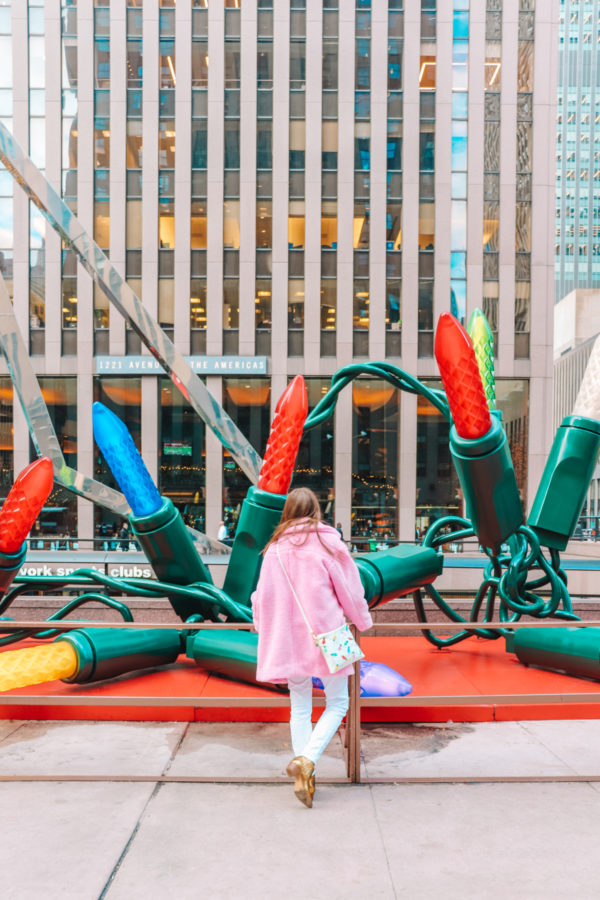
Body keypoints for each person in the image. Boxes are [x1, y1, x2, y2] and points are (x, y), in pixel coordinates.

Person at [251, 487, 372, 808]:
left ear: (287, 512)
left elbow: (260, 597)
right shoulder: (328, 542)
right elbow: (350, 588)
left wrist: (265, 631)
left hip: (287, 641)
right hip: (327, 635)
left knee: (300, 707)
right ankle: (308, 760)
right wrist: (362, 620)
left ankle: (305, 772)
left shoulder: (274, 549)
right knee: (338, 702)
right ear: (316, 510)